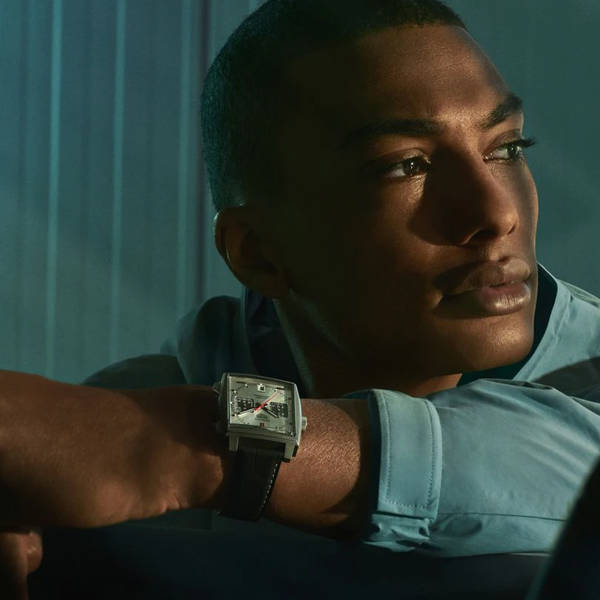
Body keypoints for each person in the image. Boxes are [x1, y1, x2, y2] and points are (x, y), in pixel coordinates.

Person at [1, 0, 600, 596]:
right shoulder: (150, 397)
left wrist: (179, 444)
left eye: (507, 148)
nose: (496, 213)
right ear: (259, 252)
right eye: (407, 165)